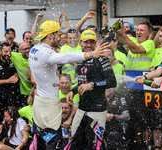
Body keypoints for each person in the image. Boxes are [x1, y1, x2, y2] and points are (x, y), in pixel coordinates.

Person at [29, 20, 108, 149]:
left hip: (39, 102)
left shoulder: (35, 49)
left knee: (41, 142)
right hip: (49, 105)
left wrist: (73, 89)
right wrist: (91, 54)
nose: (61, 38)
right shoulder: (46, 53)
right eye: (58, 34)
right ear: (50, 35)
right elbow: (64, 57)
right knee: (55, 143)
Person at [66, 30, 116, 149]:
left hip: (97, 111)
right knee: (75, 144)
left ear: (95, 43)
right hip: (82, 109)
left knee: (93, 146)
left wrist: (92, 85)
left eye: (91, 42)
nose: (88, 45)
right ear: (80, 42)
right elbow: (82, 83)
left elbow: (112, 81)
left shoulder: (102, 59)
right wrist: (73, 91)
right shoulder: (81, 59)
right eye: (86, 42)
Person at [0, 42, 21, 123]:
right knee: (1, 119)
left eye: (10, 51)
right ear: (0, 51)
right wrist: (8, 81)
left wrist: (16, 76)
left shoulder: (12, 61)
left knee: (12, 118)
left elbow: (17, 73)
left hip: (12, 95)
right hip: (0, 96)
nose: (8, 54)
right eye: (6, 52)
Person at [11, 42, 33, 108]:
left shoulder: (35, 57)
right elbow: (2, 52)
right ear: (19, 51)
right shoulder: (15, 57)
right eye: (25, 49)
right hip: (24, 93)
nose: (28, 50)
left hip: (37, 92)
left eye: (29, 48)